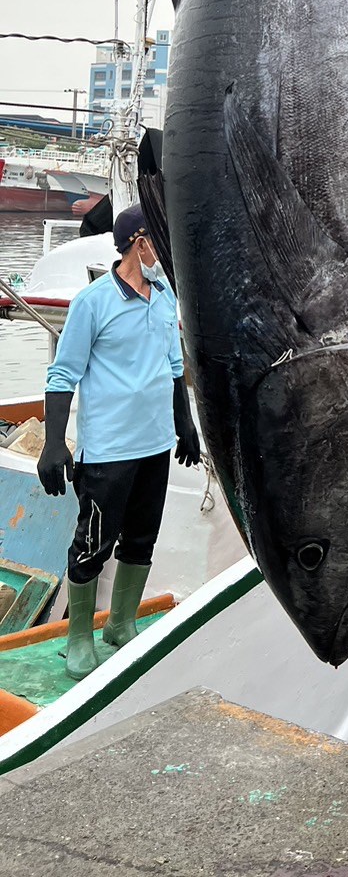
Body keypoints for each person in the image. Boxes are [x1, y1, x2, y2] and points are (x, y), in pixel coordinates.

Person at [36, 204, 201, 679]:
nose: (164, 255)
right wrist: (53, 443)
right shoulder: (93, 302)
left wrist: (183, 423)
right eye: (159, 243)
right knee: (92, 544)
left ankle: (121, 625)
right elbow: (63, 374)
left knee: (142, 537)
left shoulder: (165, 294)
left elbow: (174, 367)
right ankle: (80, 638)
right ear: (139, 242)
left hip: (154, 445)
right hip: (108, 450)